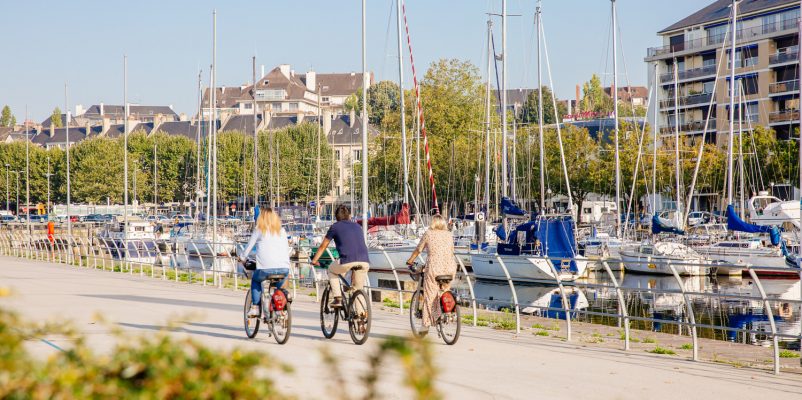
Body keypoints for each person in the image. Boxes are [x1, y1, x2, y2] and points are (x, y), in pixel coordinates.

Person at [310, 205, 370, 308]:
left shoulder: (335, 227)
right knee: (358, 289)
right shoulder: (357, 226)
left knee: (331, 270)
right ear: (349, 216)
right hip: (364, 261)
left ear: (336, 217)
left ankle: (338, 298)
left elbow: (323, 246)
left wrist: (314, 260)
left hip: (347, 260)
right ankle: (361, 315)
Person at [406, 214, 457, 329]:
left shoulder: (429, 233)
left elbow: (418, 249)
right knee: (445, 290)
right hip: (450, 268)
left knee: (429, 295)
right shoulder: (449, 235)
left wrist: (410, 260)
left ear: (432, 223)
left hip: (434, 268)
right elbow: (451, 251)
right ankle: (447, 313)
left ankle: (425, 325)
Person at [240, 208, 291, 318]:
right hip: (284, 268)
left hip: (264, 269)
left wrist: (242, 258)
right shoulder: (282, 231)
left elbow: (247, 249)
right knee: (279, 289)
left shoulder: (259, 230)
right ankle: (280, 309)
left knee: (256, 280)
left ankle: (255, 307)